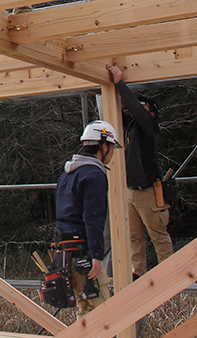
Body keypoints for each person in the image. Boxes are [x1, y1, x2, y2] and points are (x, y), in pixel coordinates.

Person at [108, 65, 174, 278]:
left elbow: (134, 109)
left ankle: (168, 275)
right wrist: (107, 89)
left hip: (149, 191)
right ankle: (138, 275)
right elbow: (117, 110)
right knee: (134, 238)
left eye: (144, 105)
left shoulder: (149, 126)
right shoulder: (130, 128)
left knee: (158, 235)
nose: (139, 107)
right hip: (131, 191)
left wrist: (120, 84)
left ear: (152, 112)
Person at [54, 120, 121, 318]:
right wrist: (97, 257)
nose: (113, 154)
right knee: (104, 316)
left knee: (86, 312)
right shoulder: (94, 175)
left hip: (65, 253)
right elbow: (93, 218)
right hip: (83, 254)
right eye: (112, 149)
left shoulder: (67, 174)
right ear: (104, 146)